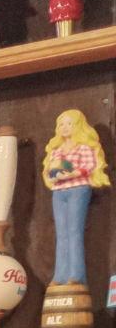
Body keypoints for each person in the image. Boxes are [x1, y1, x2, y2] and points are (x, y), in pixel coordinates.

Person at [44, 109, 109, 288]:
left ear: (78, 126)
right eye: (61, 124)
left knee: (74, 232)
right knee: (61, 234)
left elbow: (89, 165)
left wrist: (71, 173)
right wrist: (54, 176)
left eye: (69, 124)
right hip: (59, 191)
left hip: (78, 189)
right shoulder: (57, 150)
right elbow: (51, 170)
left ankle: (76, 275)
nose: (65, 127)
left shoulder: (83, 147)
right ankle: (60, 275)